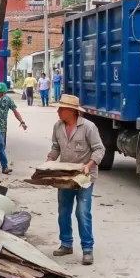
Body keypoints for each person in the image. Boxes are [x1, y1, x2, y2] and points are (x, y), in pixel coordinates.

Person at [46, 94, 104, 266]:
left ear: (71, 111)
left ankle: (87, 249)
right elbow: (56, 147)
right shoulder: (58, 126)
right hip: (65, 175)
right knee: (63, 211)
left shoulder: (88, 127)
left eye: (61, 109)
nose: (58, 111)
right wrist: (50, 159)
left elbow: (99, 150)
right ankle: (66, 244)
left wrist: (89, 165)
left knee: (82, 212)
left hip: (85, 176)